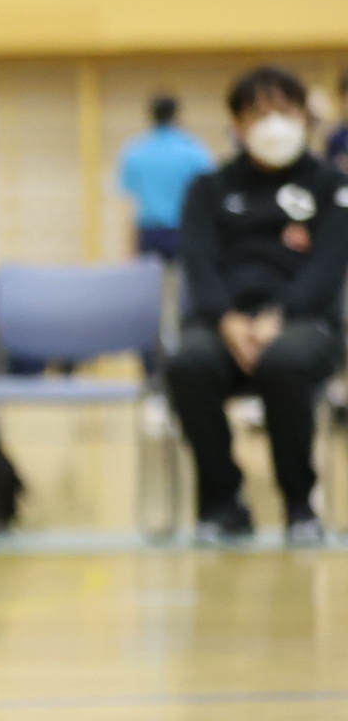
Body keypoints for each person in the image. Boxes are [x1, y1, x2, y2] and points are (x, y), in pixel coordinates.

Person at [167, 65, 348, 546]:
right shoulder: (209, 188)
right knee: (187, 363)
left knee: (284, 362)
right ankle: (222, 504)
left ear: (305, 117)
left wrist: (279, 318)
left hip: (304, 323)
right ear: (238, 124)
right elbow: (198, 265)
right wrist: (228, 321)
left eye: (284, 111)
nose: (273, 124)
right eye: (258, 114)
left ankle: (299, 504)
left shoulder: (332, 186)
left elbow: (328, 269)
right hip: (223, 323)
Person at [117, 95, 214, 261]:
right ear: (177, 115)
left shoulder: (135, 151)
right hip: (183, 230)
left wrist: (128, 248)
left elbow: (128, 202)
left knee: (148, 278)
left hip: (148, 233)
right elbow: (207, 195)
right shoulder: (192, 150)